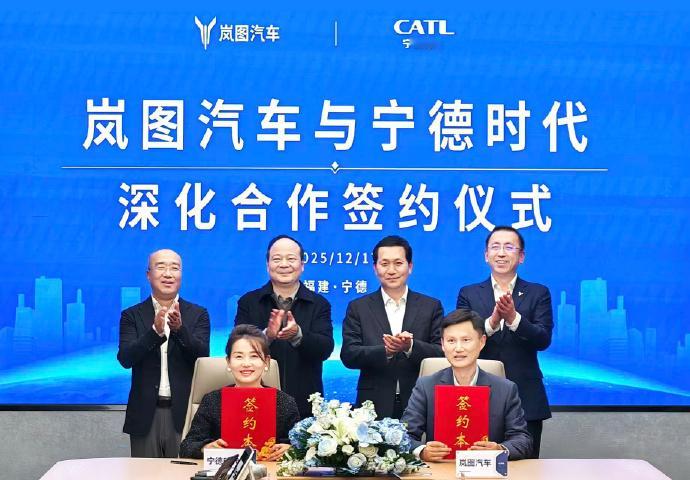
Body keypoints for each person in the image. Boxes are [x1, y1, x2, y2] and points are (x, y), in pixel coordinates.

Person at [456, 226, 552, 458]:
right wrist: (492, 322)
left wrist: (513, 319)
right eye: (495, 247)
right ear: (486, 255)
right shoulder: (469, 293)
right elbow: (461, 339)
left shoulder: (538, 293)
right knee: (475, 464)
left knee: (525, 466)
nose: (501, 253)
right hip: (477, 395)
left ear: (521, 256)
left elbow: (543, 339)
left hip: (525, 397)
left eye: (509, 247)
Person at [402, 309, 532, 461]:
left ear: (482, 342)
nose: (458, 348)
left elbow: (523, 440)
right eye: (451, 341)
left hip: (486, 470)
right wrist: (422, 451)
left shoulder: (506, 389)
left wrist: (499, 449)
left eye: (466, 340)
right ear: (442, 344)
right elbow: (404, 435)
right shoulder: (426, 386)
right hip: (441, 469)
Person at [117, 249, 210, 458]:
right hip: (145, 415)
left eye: (174, 268)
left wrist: (179, 330)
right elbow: (125, 358)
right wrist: (154, 333)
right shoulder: (131, 315)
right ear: (148, 275)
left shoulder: (198, 314)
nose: (168, 274)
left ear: (181, 274)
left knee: (184, 472)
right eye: (161, 267)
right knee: (145, 473)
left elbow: (202, 357)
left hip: (185, 414)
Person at [341, 235, 444, 419]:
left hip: (420, 400)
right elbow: (349, 355)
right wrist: (385, 351)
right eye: (384, 264)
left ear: (410, 266)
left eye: (398, 263)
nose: (391, 270)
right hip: (372, 404)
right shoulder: (358, 307)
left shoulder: (431, 306)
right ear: (375, 268)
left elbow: (442, 352)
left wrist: (410, 347)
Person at [234, 235, 334, 418]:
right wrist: (266, 337)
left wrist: (298, 335)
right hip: (256, 400)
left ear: (302, 265)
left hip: (304, 403)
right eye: (277, 259)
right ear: (268, 265)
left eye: (291, 259)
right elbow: (237, 347)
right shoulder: (249, 302)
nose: (284, 264)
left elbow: (325, 349)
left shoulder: (319, 304)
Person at [179, 325, 300, 460]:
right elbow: (187, 446)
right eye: (239, 356)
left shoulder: (284, 402)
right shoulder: (212, 400)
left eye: (254, 356)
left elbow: (301, 446)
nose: (246, 363)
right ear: (228, 362)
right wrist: (205, 448)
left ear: (266, 362)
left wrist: (291, 450)